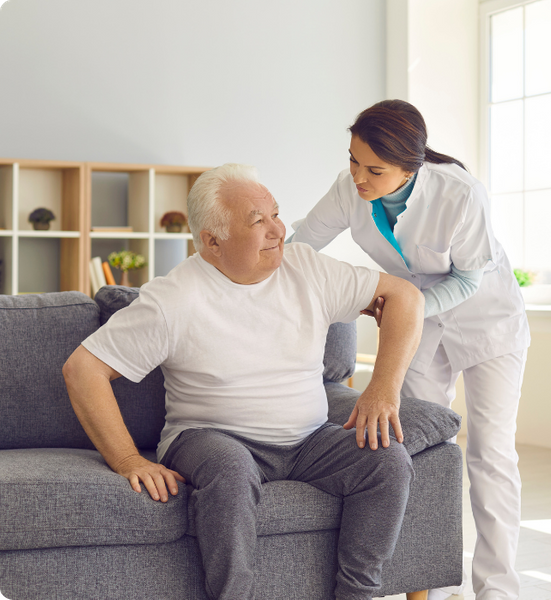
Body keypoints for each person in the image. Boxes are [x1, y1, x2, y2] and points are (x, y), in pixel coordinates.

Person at [62, 163, 428, 600]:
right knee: (231, 469)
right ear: (212, 241)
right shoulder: (173, 298)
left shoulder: (306, 267)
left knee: (387, 459)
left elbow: (405, 296)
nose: (277, 230)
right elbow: (83, 369)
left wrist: (382, 388)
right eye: (258, 221)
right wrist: (127, 459)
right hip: (209, 437)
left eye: (276, 213)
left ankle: (356, 596)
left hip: (309, 441)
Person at [289, 100, 530, 600]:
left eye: (374, 169)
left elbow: (468, 276)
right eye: (353, 160)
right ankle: (431, 580)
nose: (358, 177)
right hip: (422, 326)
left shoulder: (460, 194)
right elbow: (301, 246)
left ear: (410, 167)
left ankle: (499, 589)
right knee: (419, 447)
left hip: (490, 322)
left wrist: (409, 307)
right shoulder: (348, 188)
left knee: (491, 454)